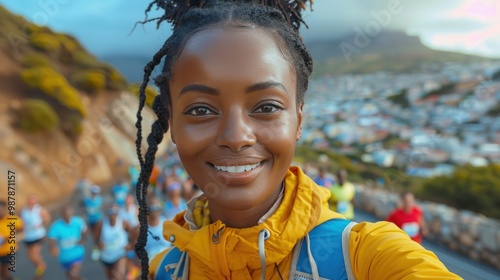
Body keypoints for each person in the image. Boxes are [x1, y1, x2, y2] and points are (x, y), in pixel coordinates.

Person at [132, 1, 460, 279]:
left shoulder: (364, 257)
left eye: (266, 106)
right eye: (201, 109)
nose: (235, 137)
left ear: (298, 121)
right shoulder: (165, 270)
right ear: (172, 123)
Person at [48, 206, 87, 280]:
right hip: (64, 258)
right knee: (70, 276)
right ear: (62, 215)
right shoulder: (56, 226)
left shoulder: (78, 221)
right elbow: (51, 240)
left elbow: (85, 231)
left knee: (73, 274)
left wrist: (83, 239)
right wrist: (53, 247)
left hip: (77, 254)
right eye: (66, 215)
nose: (68, 218)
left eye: (70, 215)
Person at [96, 204, 133, 280]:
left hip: (120, 253)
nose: (113, 214)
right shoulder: (101, 224)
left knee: (117, 276)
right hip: (106, 256)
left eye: (115, 211)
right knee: (110, 277)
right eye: (111, 211)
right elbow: (96, 238)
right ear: (107, 213)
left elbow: (134, 233)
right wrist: (99, 244)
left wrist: (130, 244)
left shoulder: (123, 223)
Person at [20, 194, 50, 279]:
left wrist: (41, 224)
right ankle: (40, 265)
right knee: (30, 255)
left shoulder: (40, 209)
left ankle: (41, 267)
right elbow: (21, 222)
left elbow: (47, 218)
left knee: (34, 253)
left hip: (38, 235)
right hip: (28, 236)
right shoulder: (24, 211)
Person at [0, 200, 23, 280]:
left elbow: (22, 229)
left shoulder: (12, 219)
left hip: (9, 251)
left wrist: (17, 237)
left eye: (1, 210)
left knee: (5, 273)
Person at [82, 184, 104, 260]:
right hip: (90, 221)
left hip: (98, 220)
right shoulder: (87, 200)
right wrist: (84, 216)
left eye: (96, 193)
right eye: (93, 192)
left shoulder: (100, 199)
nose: (94, 194)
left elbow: (102, 208)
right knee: (94, 237)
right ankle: (97, 249)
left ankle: (99, 248)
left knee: (97, 235)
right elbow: (84, 209)